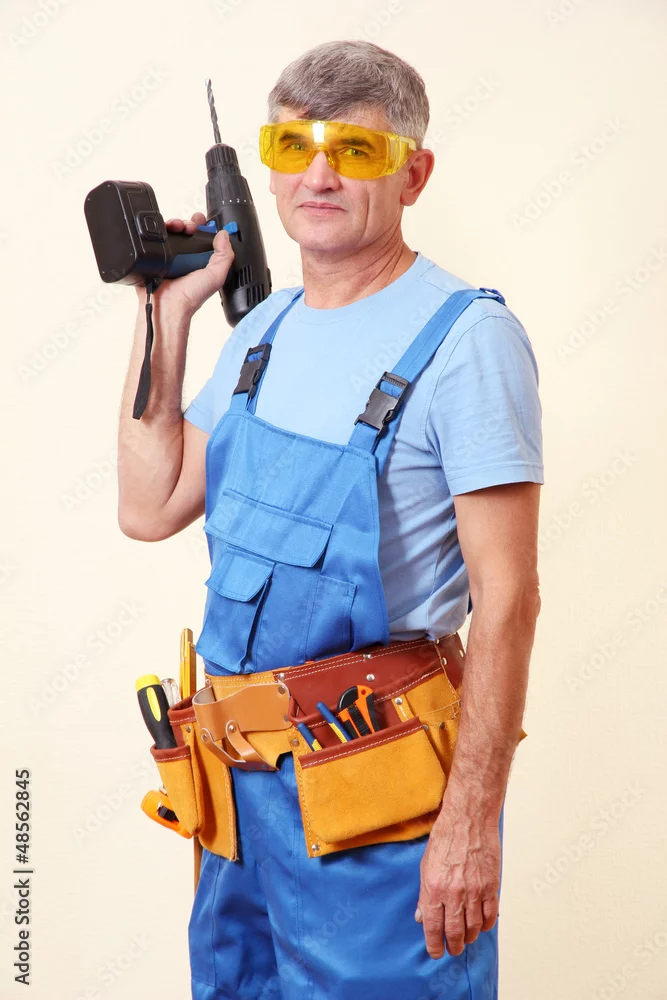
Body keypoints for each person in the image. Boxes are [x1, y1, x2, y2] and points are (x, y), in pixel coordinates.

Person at [118, 38, 543, 1000]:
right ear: (265, 169)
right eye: (293, 146)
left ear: (411, 174)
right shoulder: (262, 330)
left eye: (355, 150)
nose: (318, 175)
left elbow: (509, 600)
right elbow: (149, 506)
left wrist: (470, 823)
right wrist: (164, 315)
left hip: (376, 796)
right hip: (234, 797)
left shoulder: (467, 340)